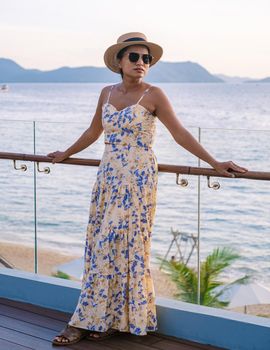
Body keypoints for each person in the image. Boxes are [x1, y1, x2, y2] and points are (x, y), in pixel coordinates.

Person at [48, 32, 248, 346]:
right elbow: (93, 131)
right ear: (119, 61)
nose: (142, 63)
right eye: (135, 57)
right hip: (108, 176)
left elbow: (180, 133)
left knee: (119, 247)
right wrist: (66, 153)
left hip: (138, 179)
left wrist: (214, 162)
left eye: (146, 59)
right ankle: (109, 320)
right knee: (101, 244)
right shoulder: (106, 92)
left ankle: (82, 322)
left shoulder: (154, 94)